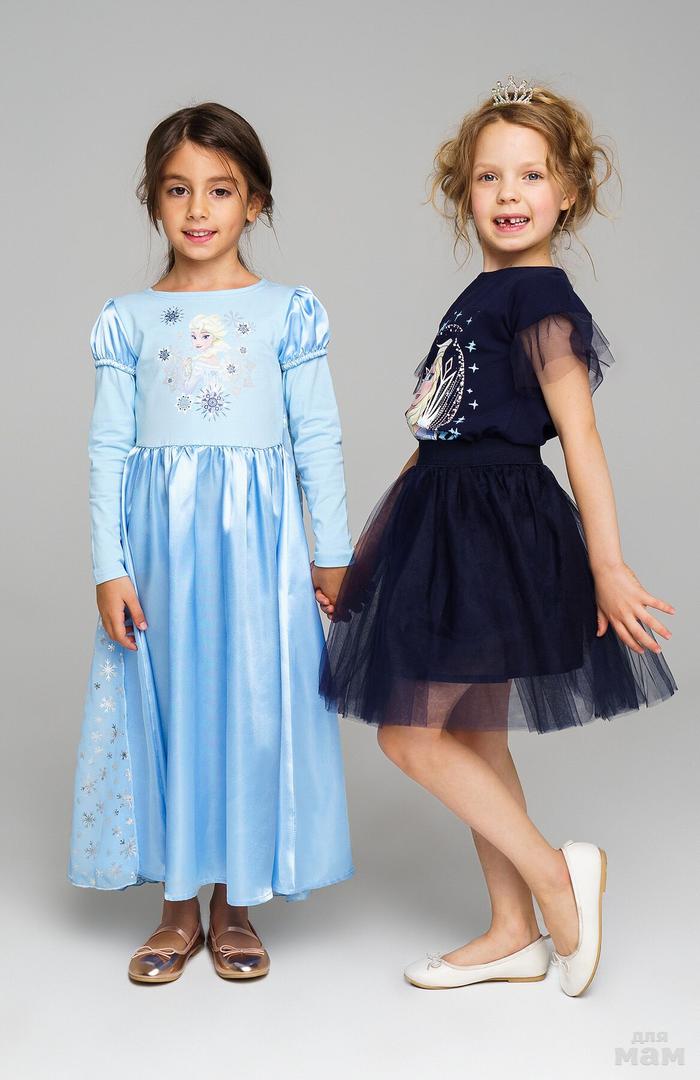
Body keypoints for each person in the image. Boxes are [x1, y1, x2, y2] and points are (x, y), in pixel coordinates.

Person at [318, 75, 678, 996]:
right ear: (462, 191)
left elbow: (581, 434)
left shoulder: (540, 298)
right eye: (489, 176)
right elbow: (437, 435)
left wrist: (606, 563)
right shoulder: (480, 296)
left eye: (532, 174)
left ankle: (558, 878)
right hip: (443, 523)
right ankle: (514, 931)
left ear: (569, 192)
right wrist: (367, 561)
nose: (509, 194)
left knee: (410, 736)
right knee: (476, 738)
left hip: (493, 532)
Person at [68, 102, 355, 984]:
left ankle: (235, 904)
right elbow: (108, 448)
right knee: (172, 706)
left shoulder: (287, 312)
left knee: (249, 706)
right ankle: (176, 907)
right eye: (178, 189)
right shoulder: (128, 318)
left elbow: (317, 436)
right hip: (161, 551)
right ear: (152, 201)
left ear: (255, 201)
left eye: (220, 190)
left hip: (260, 553)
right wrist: (109, 564)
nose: (198, 209)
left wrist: (333, 550)